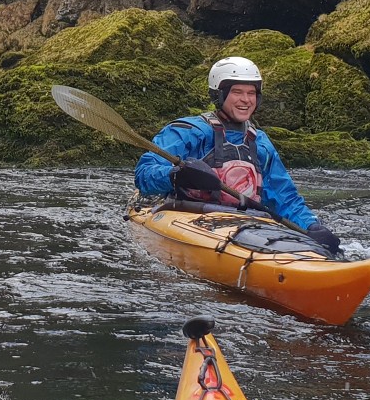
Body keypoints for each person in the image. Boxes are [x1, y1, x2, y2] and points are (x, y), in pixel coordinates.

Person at [134, 56, 343, 255]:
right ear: (219, 94)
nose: (245, 100)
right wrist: (176, 175)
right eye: (237, 92)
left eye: (251, 93)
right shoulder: (188, 131)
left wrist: (312, 226)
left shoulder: (259, 142)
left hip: (246, 222)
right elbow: (144, 174)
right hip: (189, 214)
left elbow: (284, 197)